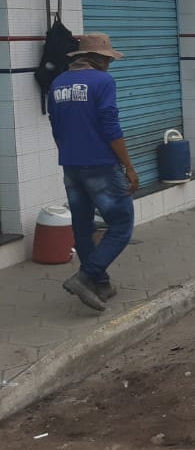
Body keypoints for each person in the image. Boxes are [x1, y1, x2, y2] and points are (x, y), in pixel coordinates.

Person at [48, 33, 137, 312]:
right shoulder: (102, 81)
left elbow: (56, 127)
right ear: (98, 59)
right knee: (121, 225)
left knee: (83, 227)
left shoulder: (57, 82)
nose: (110, 64)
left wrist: (70, 155)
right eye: (108, 59)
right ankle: (85, 277)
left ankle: (101, 284)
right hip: (100, 165)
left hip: (71, 165)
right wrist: (129, 166)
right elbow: (110, 125)